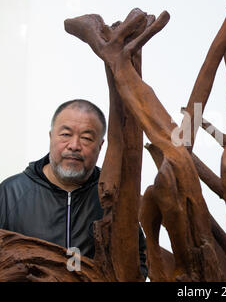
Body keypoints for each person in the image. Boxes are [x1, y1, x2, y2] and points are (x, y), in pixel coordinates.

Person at [0, 99, 148, 279]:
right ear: (51, 136)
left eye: (86, 138)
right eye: (65, 134)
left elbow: (138, 257)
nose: (74, 145)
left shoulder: (112, 196)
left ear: (100, 146)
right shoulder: (10, 193)